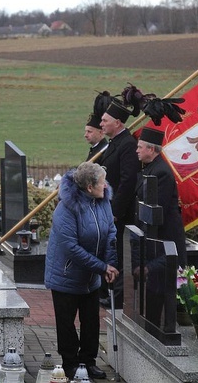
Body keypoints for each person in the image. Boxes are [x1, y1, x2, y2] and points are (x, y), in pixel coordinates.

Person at [44, 162, 119, 381]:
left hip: (91, 276)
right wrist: (101, 267)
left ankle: (88, 361)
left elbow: (110, 231)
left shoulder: (102, 200)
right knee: (66, 323)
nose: (105, 186)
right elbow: (71, 248)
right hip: (66, 275)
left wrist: (110, 264)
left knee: (91, 321)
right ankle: (70, 363)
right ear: (89, 187)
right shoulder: (66, 208)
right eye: (102, 182)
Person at [135, 126, 187, 327]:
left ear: (151, 149)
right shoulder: (149, 168)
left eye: (140, 147)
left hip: (165, 237)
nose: (137, 151)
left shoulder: (161, 172)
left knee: (162, 287)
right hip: (153, 238)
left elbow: (158, 209)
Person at [98, 100, 141, 305]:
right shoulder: (115, 142)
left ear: (117, 122)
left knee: (121, 255)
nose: (101, 124)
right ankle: (111, 292)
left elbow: (127, 181)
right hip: (110, 207)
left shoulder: (128, 144)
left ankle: (119, 296)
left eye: (105, 120)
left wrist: (115, 210)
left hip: (122, 212)